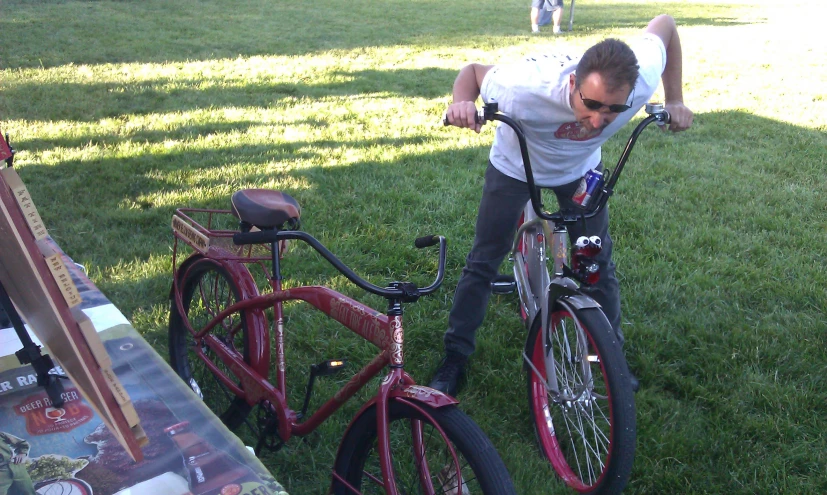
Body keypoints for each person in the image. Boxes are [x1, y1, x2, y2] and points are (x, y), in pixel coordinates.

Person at [432, 14, 694, 396]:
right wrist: (460, 104)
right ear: (573, 83)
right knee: (484, 260)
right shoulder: (522, 88)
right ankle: (455, 356)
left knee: (597, 261)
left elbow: (665, 26)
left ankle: (608, 356)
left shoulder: (638, 79)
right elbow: (472, 73)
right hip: (515, 165)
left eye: (613, 110)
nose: (598, 120)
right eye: (590, 104)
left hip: (579, 171)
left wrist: (675, 100)